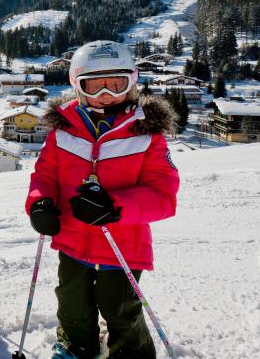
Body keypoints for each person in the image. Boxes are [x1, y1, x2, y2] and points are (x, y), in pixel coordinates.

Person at [24, 40, 180, 359]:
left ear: (132, 82)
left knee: (118, 304)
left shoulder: (146, 132)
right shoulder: (64, 128)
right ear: (78, 86)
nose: (105, 93)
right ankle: (77, 344)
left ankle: (130, 350)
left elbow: (163, 196)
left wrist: (115, 207)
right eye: (94, 85)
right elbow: (45, 174)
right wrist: (39, 202)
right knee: (72, 300)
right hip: (71, 234)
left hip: (122, 240)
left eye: (116, 83)